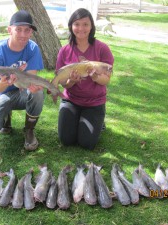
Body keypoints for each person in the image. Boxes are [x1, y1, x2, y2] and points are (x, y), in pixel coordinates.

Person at [0, 10, 44, 151]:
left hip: (20, 92)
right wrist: (3, 83)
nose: (23, 34)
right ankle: (5, 117)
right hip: (0, 94)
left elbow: (30, 78)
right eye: (18, 29)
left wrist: (32, 87)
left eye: (27, 30)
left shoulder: (33, 48)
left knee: (38, 94)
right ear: (10, 30)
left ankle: (29, 130)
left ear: (31, 32)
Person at [55, 8, 114, 150]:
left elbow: (106, 80)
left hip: (94, 102)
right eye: (76, 24)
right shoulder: (65, 50)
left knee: (86, 143)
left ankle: (99, 121)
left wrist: (95, 77)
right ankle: (79, 119)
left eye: (85, 24)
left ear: (91, 26)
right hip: (71, 100)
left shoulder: (102, 48)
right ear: (71, 26)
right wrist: (72, 81)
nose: (81, 28)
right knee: (66, 140)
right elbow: (64, 84)